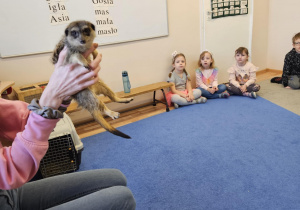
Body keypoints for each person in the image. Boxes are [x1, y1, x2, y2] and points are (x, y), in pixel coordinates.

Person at [0, 44, 136, 210]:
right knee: (122, 198)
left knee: (117, 177)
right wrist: (49, 102)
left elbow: (23, 117)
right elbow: (9, 170)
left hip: (8, 192)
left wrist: (59, 94)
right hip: (7, 186)